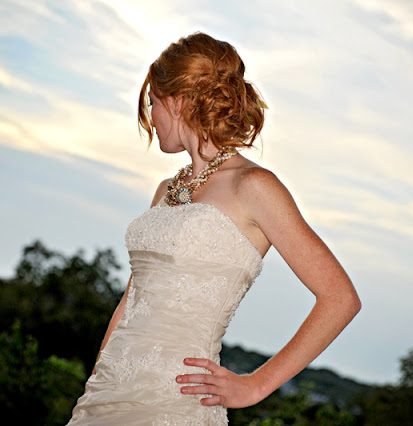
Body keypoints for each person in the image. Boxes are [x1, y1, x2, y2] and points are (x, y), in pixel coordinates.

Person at [67, 32, 361, 425]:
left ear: (177, 102)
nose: (150, 117)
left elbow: (340, 298)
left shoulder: (254, 186)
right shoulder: (166, 191)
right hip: (106, 395)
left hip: (175, 401)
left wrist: (256, 384)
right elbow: (131, 301)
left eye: (153, 102)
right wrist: (96, 386)